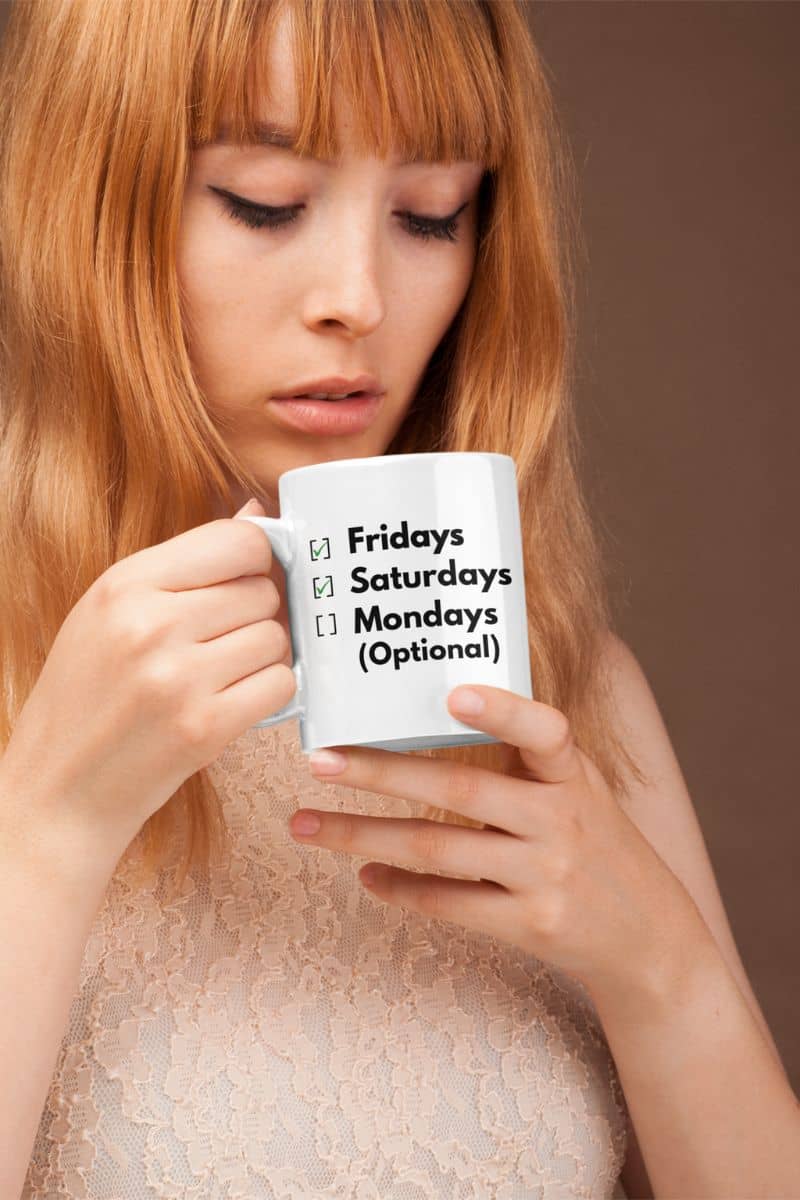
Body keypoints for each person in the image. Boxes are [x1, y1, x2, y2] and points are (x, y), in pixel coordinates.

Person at [0, 1, 797, 1197]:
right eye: (264, 202)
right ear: (88, 204)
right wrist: (46, 835)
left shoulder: (560, 685)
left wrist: (663, 972)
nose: (357, 299)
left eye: (431, 212)